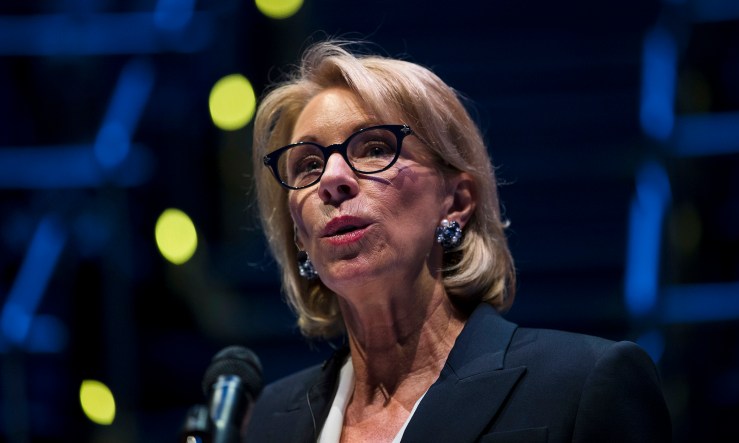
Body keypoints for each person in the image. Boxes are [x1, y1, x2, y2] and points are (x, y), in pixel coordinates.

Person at [244, 40, 672, 442]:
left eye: (374, 148)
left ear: (457, 201)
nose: (332, 180)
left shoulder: (580, 385)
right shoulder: (261, 425)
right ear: (299, 235)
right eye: (308, 164)